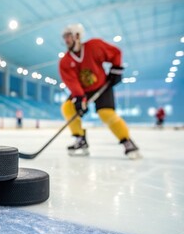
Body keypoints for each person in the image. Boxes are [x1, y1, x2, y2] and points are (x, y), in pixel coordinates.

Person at [59, 23, 141, 159]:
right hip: (83, 91)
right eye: (64, 37)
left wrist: (116, 69)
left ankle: (127, 140)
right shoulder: (65, 62)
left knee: (106, 114)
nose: (66, 40)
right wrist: (80, 98)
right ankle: (80, 140)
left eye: (68, 36)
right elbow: (72, 82)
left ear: (77, 36)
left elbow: (116, 53)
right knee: (68, 107)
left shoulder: (94, 46)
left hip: (102, 87)